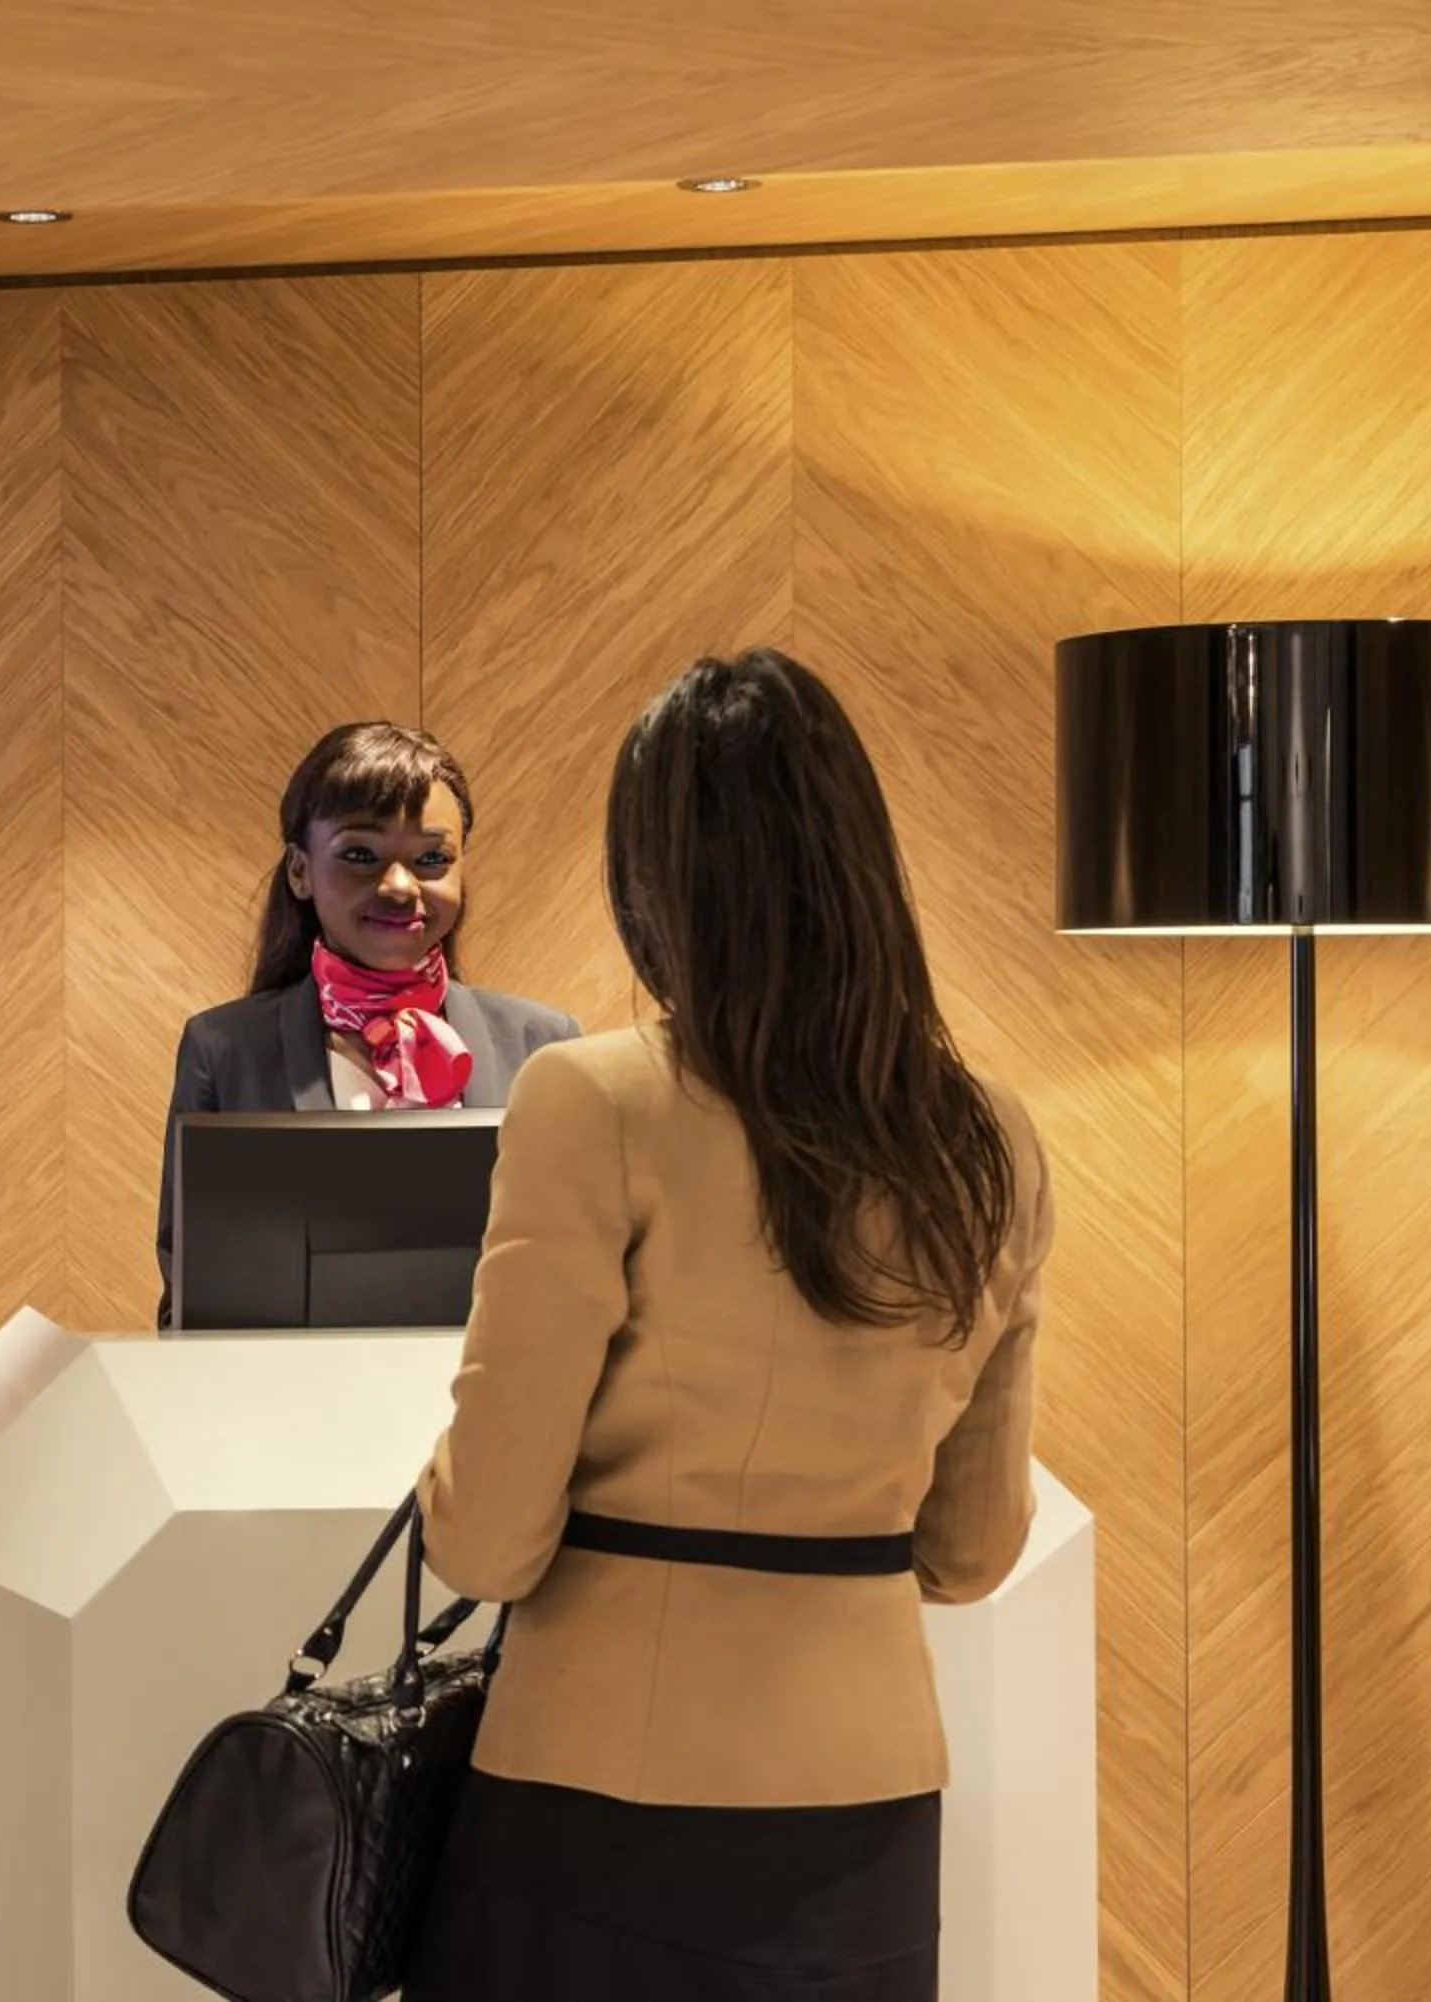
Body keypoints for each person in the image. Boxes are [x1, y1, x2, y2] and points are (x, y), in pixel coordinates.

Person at [407, 650, 1054, 2001]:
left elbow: (488, 1536)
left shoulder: (593, 1101)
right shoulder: (992, 1138)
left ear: (655, 879)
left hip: (600, 1796)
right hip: (869, 1807)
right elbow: (974, 1548)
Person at [155, 721, 580, 1324]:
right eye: (360, 856)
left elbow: (582, 1277)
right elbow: (191, 1297)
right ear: (299, 871)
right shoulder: (223, 1050)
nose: (400, 887)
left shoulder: (546, 1046)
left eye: (432, 859)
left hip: (494, 1383)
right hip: (293, 1386)